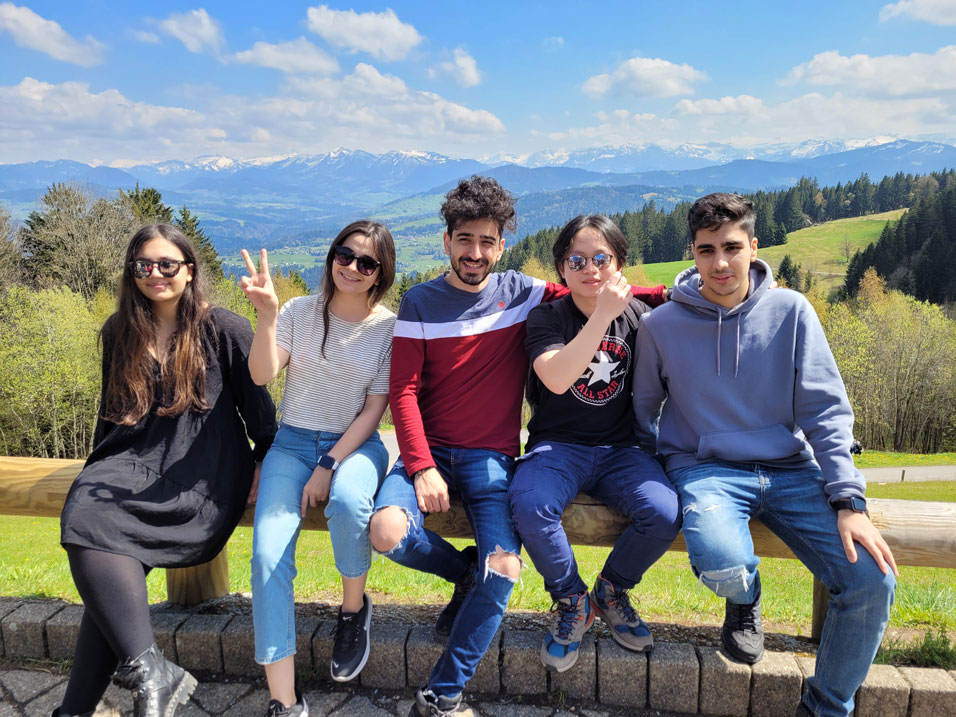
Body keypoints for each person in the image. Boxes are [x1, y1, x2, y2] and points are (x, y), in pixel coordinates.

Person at [367, 176, 668, 717]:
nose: (475, 253)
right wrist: (421, 465)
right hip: (429, 453)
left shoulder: (522, 291)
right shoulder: (420, 302)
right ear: (447, 241)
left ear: (501, 246)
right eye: (464, 240)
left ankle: (444, 691)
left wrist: (679, 290)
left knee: (504, 569)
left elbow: (595, 289)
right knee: (387, 532)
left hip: (491, 458)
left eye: (487, 242)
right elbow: (402, 391)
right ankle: (463, 572)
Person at [632, 193, 897, 717]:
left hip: (791, 469)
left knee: (872, 579)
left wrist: (849, 500)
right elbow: (644, 415)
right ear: (692, 252)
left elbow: (825, 410)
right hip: (705, 470)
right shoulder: (660, 327)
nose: (720, 263)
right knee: (722, 561)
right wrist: (652, 476)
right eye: (707, 250)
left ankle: (824, 707)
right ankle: (745, 597)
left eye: (732, 247)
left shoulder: (792, 311)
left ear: (753, 247)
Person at [57, 224, 277, 717]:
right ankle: (145, 674)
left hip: (204, 475)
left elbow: (262, 416)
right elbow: (110, 415)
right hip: (131, 462)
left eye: (166, 264)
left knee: (98, 547)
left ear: (189, 271)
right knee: (94, 531)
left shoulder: (223, 329)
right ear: (131, 272)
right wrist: (95, 474)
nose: (154, 273)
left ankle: (96, 700)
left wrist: (265, 459)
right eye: (143, 265)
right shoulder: (119, 331)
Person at [509, 215, 681, 673]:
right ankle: (572, 599)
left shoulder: (641, 318)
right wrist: (603, 314)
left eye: (602, 259)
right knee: (530, 504)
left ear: (619, 265)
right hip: (558, 446)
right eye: (577, 260)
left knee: (664, 512)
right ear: (561, 269)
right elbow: (557, 377)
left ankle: (611, 590)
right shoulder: (547, 317)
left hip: (621, 449)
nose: (591, 269)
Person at [243, 221, 397, 717]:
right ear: (332, 256)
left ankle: (352, 611)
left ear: (380, 274)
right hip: (291, 444)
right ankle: (284, 700)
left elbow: (374, 410)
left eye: (367, 263)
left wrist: (329, 464)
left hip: (356, 445)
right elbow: (262, 374)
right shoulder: (297, 311)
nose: (352, 267)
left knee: (349, 503)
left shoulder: (388, 328)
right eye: (344, 255)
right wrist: (267, 316)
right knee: (267, 556)